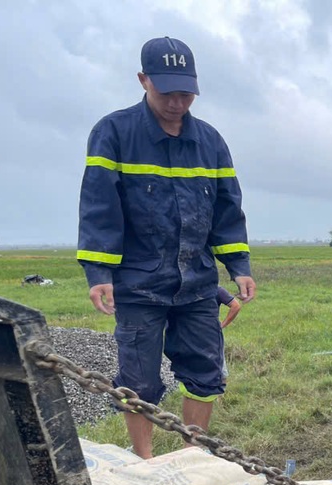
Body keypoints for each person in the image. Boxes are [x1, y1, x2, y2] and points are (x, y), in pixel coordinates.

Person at [77, 37, 255, 458]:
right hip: (138, 284)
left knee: (205, 372)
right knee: (137, 380)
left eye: (186, 94)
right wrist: (99, 274)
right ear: (143, 80)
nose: (177, 103)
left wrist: (239, 266)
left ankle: (193, 455)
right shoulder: (113, 133)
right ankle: (144, 458)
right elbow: (99, 207)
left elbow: (227, 209)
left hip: (197, 284)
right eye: (167, 92)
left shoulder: (210, 142)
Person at [216, 286, 242, 383]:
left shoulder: (216, 289)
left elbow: (236, 306)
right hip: (190, 334)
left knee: (219, 369)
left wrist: (223, 324)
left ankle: (220, 391)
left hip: (212, 334)